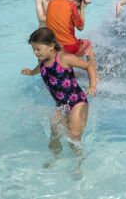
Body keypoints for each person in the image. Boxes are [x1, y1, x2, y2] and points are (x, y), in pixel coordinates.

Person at [21, 27, 97, 166]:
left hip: (77, 102)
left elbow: (88, 66)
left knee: (73, 137)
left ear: (51, 46)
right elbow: (41, 68)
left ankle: (79, 162)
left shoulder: (63, 58)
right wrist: (31, 72)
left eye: (38, 49)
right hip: (61, 104)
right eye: (33, 49)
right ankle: (55, 157)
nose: (35, 53)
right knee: (54, 134)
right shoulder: (43, 61)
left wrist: (92, 85)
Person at [46, 0, 97, 72]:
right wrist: (82, 9)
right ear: (74, 0)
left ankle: (71, 70)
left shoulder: (51, 2)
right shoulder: (71, 5)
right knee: (88, 44)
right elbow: (81, 27)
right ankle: (95, 75)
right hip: (68, 47)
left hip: (54, 47)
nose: (77, 8)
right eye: (78, 5)